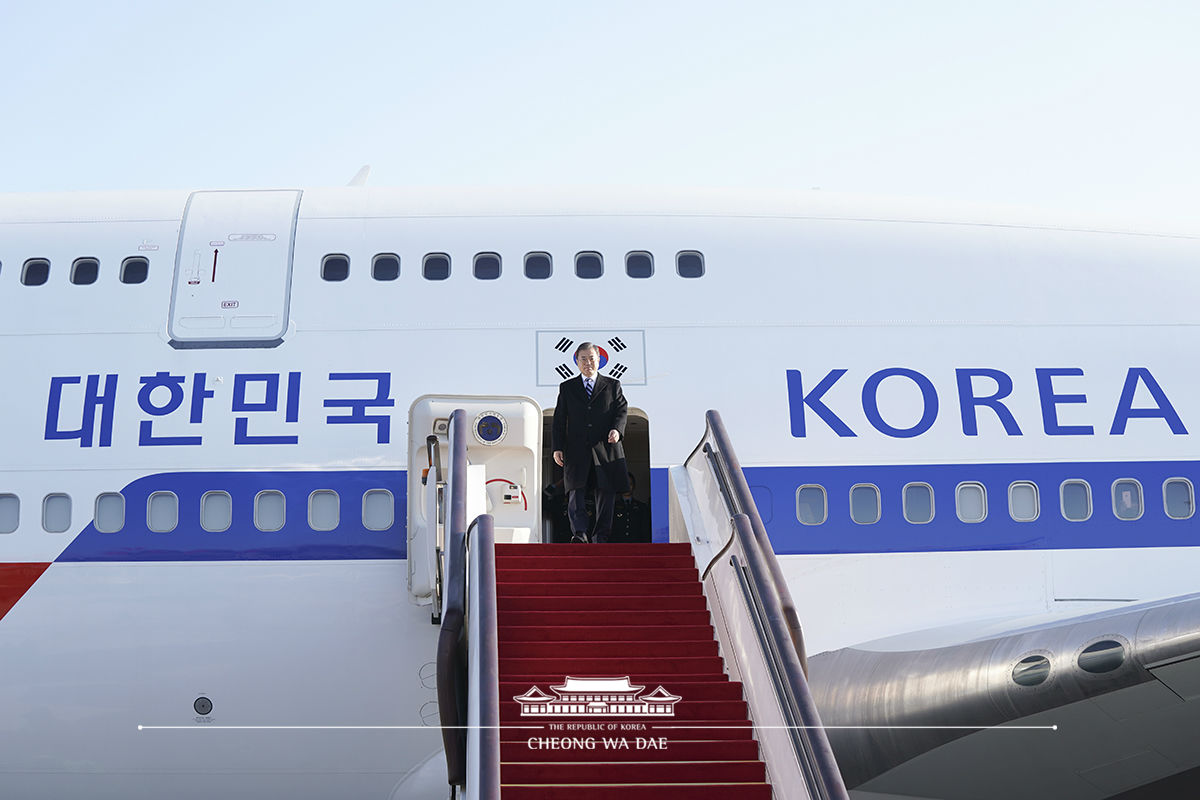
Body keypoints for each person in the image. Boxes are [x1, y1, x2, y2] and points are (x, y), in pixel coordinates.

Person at [552, 342, 629, 543]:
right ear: (577, 362)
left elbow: (621, 410)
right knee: (575, 492)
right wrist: (557, 447)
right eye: (583, 359)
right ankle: (579, 534)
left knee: (605, 492)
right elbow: (560, 419)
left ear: (599, 360)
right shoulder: (567, 387)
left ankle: (600, 535)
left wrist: (617, 430)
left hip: (605, 448)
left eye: (592, 358)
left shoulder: (613, 385)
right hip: (576, 449)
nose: (588, 363)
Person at [612, 472, 651, 543]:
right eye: (624, 484)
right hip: (618, 546)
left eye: (630, 484)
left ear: (634, 486)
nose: (627, 487)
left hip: (637, 546)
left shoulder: (642, 507)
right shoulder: (612, 507)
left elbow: (645, 531)